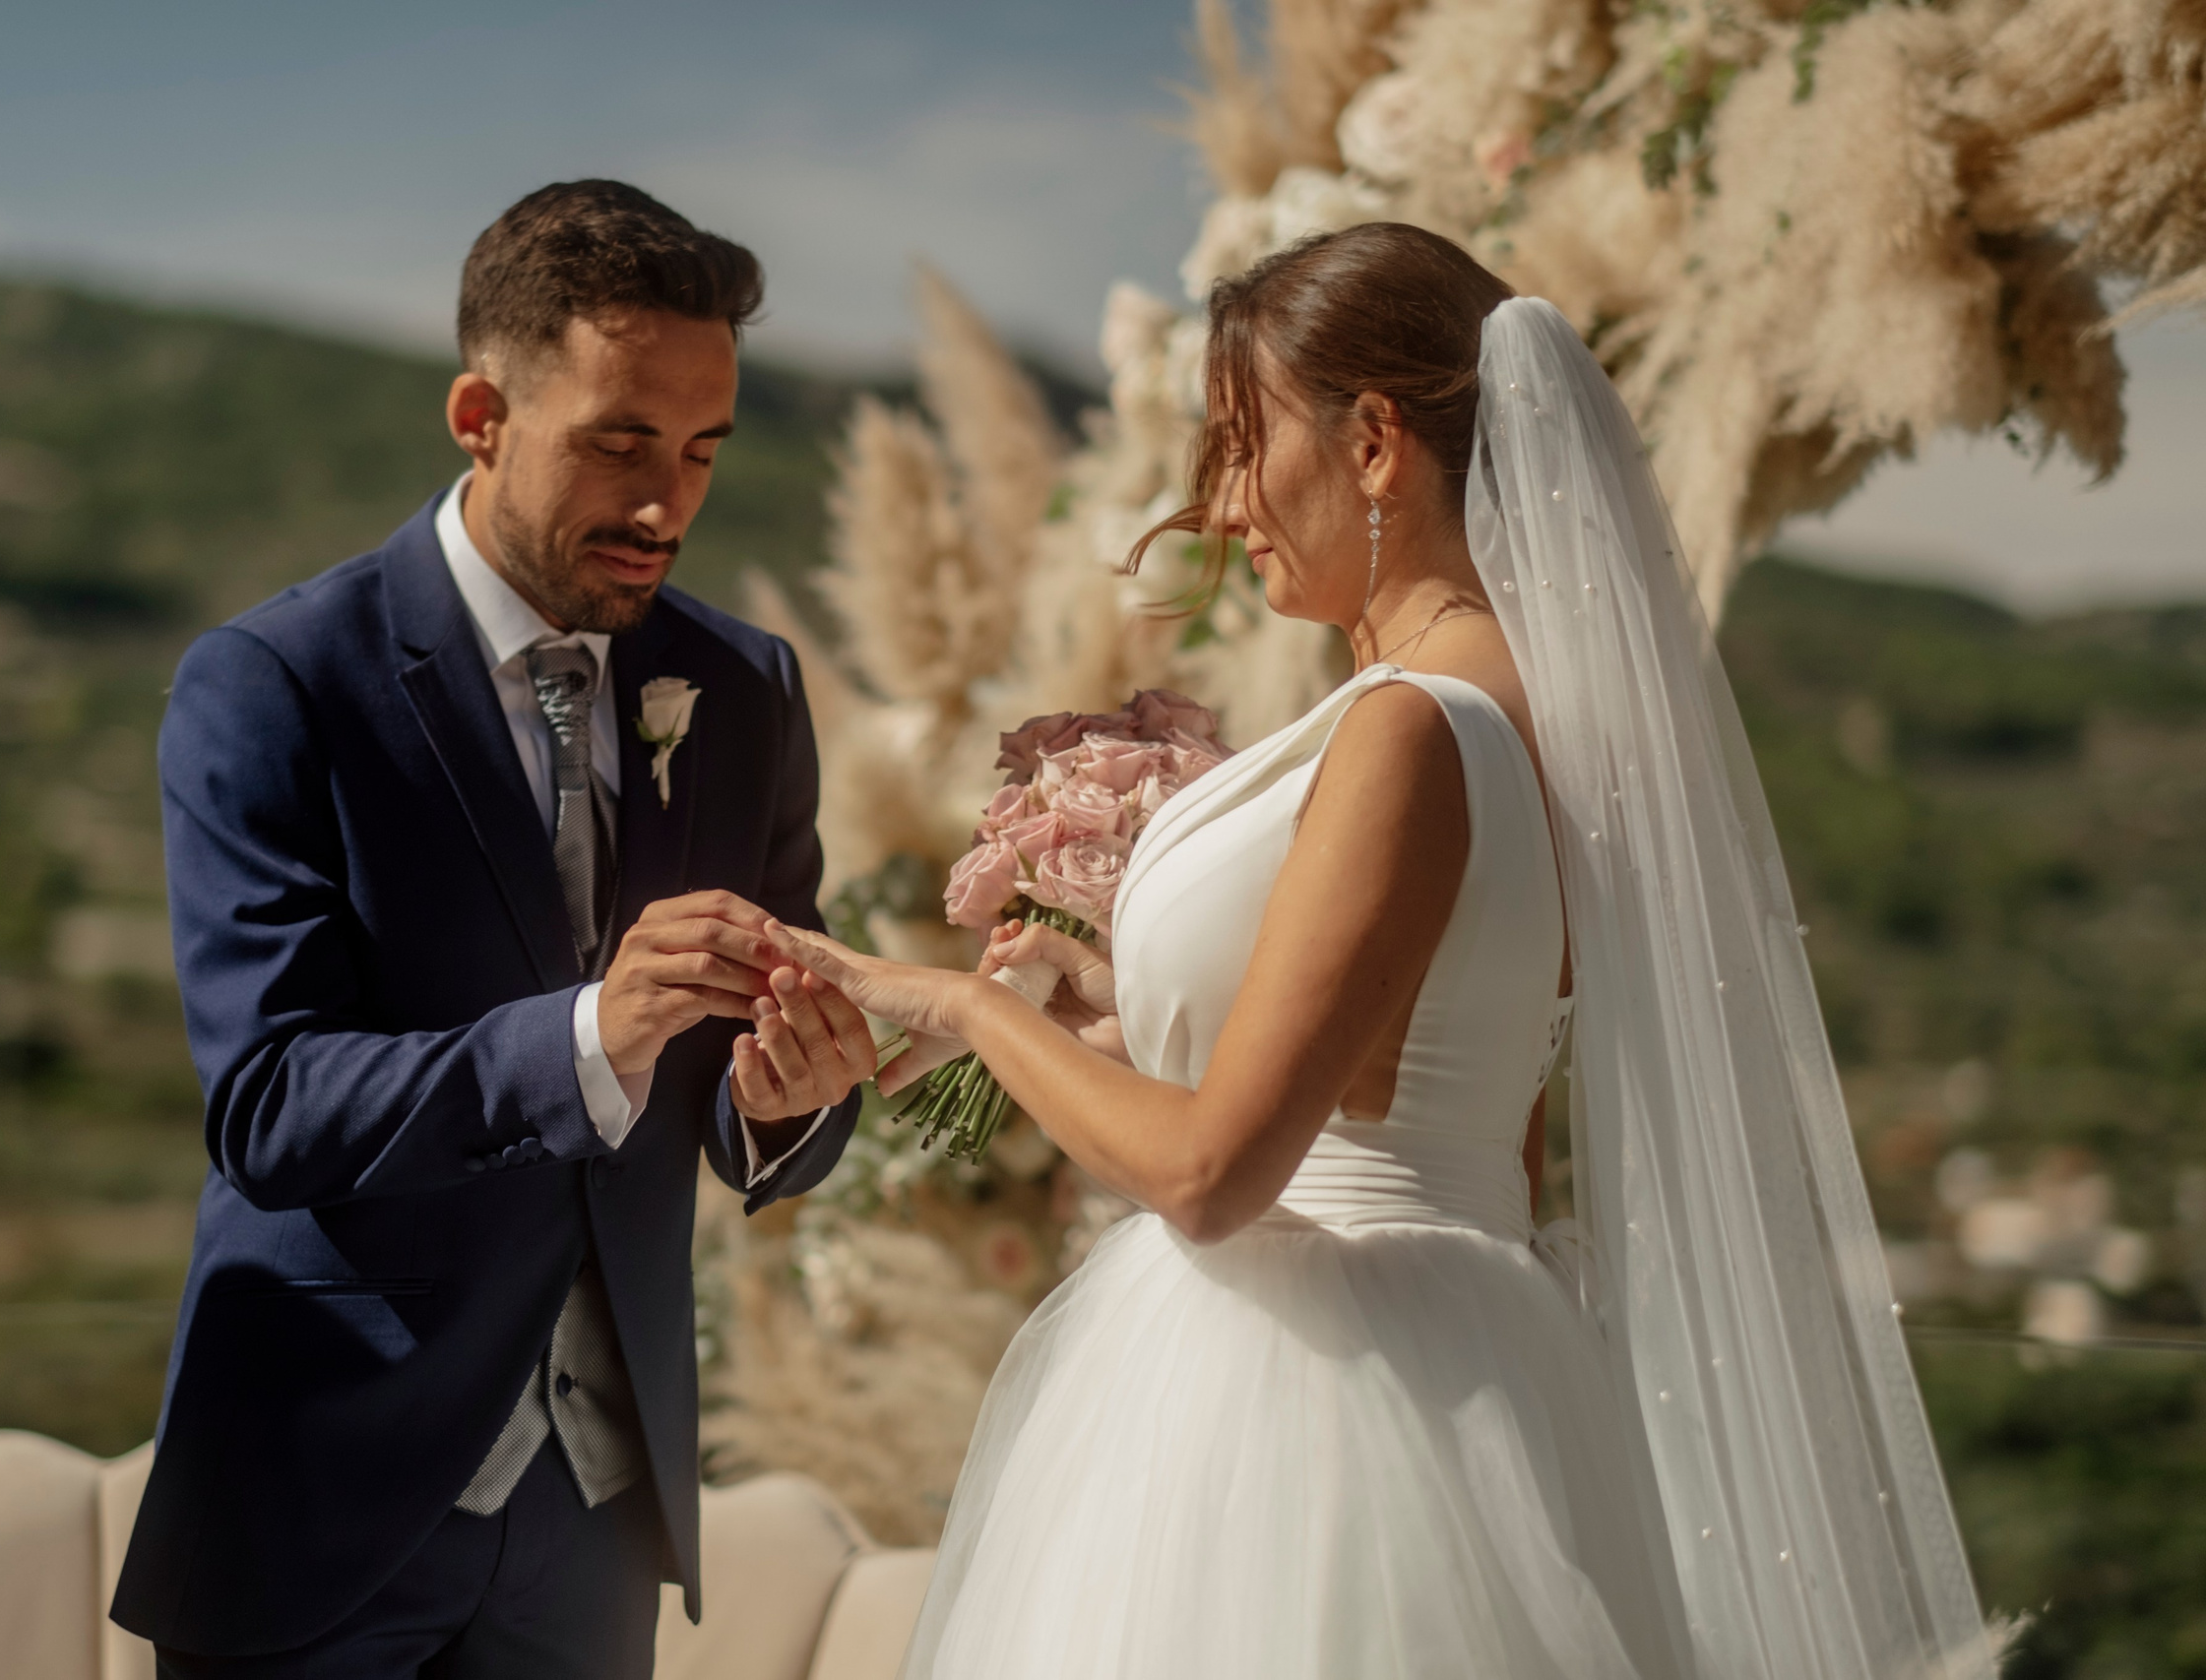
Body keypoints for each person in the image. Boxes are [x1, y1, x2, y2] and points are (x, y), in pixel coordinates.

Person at [768, 224, 1997, 1679]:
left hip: (1305, 1397)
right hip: (1470, 1365)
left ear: (1373, 445)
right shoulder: (1528, 720)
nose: (1223, 503)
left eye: (1243, 444)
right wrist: (1100, 1013)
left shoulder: (1408, 730)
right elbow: (1441, 1094)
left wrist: (965, 1012)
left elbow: (1215, 1177)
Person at [113, 180, 874, 1679]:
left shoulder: (749, 690)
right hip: (324, 1499)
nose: (670, 505)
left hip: (598, 1523)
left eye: (705, 450)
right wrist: (596, 1031)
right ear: (480, 411)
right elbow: (268, 1107)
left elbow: (749, 1082)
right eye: (621, 443)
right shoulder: (274, 682)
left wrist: (785, 1100)